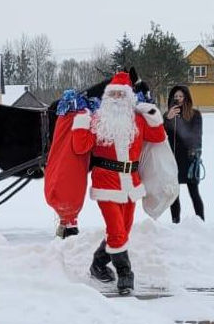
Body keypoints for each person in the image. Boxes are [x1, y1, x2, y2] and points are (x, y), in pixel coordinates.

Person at [70, 71, 167, 294]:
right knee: (116, 231)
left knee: (123, 231)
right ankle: (125, 274)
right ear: (106, 97)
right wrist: (81, 122)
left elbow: (159, 137)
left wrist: (150, 112)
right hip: (106, 183)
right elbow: (79, 147)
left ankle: (98, 263)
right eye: (112, 94)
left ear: (129, 97)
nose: (116, 98)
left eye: (121, 94)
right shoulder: (97, 120)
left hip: (131, 184)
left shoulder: (139, 121)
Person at [163, 85, 204, 223]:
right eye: (175, 97)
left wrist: (196, 153)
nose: (178, 99)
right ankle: (176, 222)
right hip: (172, 159)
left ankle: (201, 221)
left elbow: (197, 135)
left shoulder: (195, 114)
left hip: (189, 158)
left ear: (186, 98)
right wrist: (168, 119)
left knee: (194, 192)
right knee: (174, 194)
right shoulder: (168, 115)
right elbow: (161, 135)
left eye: (181, 96)